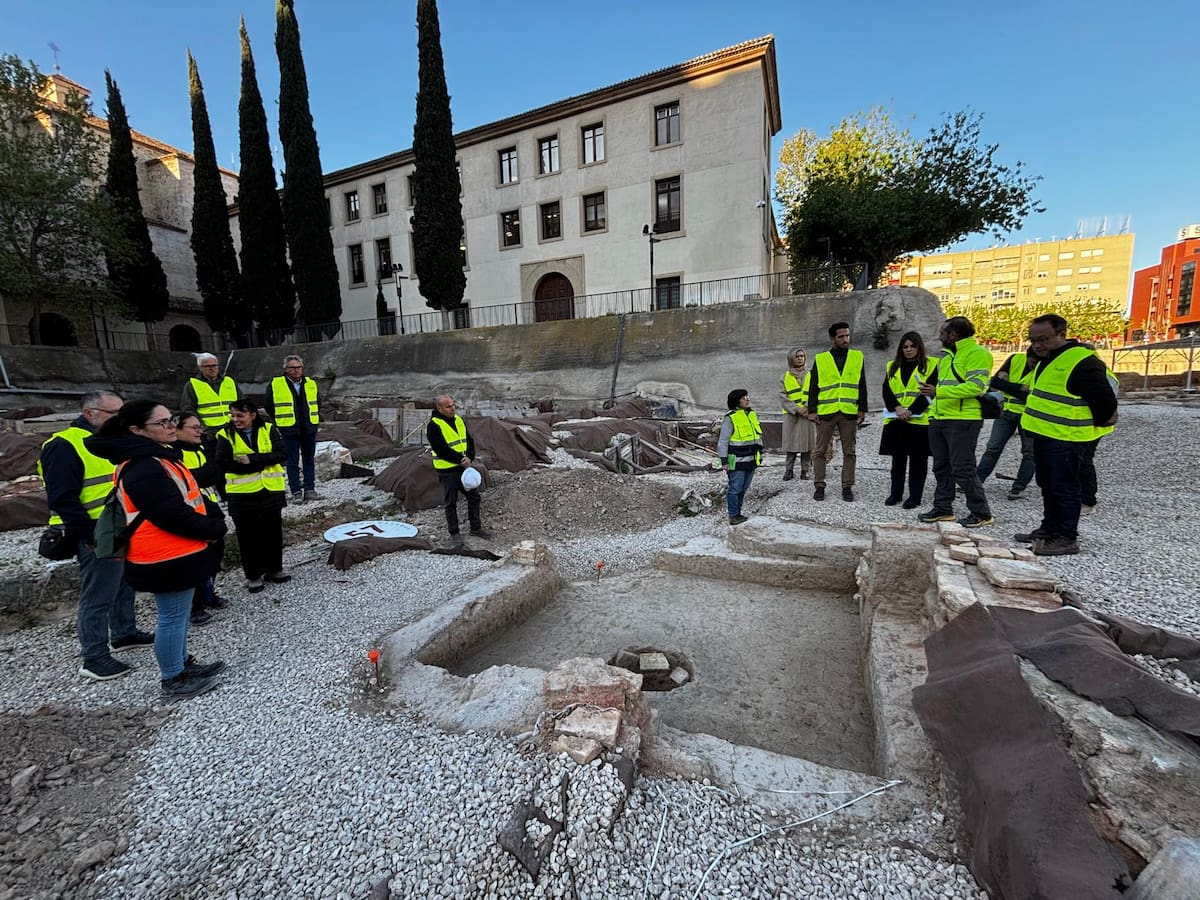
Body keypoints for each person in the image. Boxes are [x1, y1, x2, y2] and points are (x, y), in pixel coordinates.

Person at [85, 400, 227, 700]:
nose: (171, 426)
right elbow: (170, 514)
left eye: (171, 419)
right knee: (172, 617)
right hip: (164, 556)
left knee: (177, 614)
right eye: (162, 422)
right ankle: (173, 678)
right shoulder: (144, 467)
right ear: (137, 429)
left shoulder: (155, 458)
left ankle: (181, 663)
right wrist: (212, 529)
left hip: (176, 552)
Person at [37, 391, 153, 681]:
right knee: (99, 594)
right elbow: (63, 498)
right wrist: (89, 534)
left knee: (124, 584)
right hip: (96, 530)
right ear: (90, 413)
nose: (121, 419)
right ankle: (94, 657)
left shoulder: (108, 440)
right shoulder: (64, 445)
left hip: (119, 525)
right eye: (115, 414)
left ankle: (124, 632)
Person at [1014, 315, 1117, 556]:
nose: (1037, 345)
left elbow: (1104, 403)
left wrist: (1097, 423)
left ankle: (1066, 537)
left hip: (1068, 437)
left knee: (1065, 487)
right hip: (1045, 434)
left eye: (1043, 339)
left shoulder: (1081, 361)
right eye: (1033, 340)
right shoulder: (1049, 359)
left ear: (1061, 335)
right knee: (1048, 485)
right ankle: (1049, 529)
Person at [917, 316, 995, 528]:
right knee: (941, 467)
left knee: (963, 467)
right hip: (940, 418)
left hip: (963, 420)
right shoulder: (947, 357)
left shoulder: (977, 354)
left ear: (953, 334)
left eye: (942, 333)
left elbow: (976, 386)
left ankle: (981, 512)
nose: (939, 337)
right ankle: (943, 508)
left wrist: (938, 392)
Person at [216, 399, 289, 592]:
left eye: (240, 415)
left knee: (272, 533)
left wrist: (252, 460)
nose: (235, 419)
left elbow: (282, 454)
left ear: (253, 415)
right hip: (241, 495)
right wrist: (260, 463)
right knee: (248, 537)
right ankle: (254, 575)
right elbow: (223, 463)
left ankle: (275, 569)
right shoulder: (225, 435)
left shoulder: (268, 429)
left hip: (270, 490)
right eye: (233, 415)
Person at [174, 411, 230, 624]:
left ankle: (208, 593)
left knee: (215, 553)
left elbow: (215, 472)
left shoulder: (201, 447)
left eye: (200, 427)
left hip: (210, 507)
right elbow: (187, 480)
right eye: (194, 427)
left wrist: (201, 476)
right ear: (178, 429)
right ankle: (194, 606)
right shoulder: (173, 453)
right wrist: (202, 475)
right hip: (190, 511)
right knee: (195, 558)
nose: (200, 431)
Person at [807, 322, 866, 501]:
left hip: (849, 412)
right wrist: (812, 410)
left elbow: (862, 384)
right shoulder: (821, 359)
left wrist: (862, 409)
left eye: (847, 335)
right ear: (832, 338)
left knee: (850, 452)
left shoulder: (857, 357)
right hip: (826, 412)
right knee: (820, 451)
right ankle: (819, 485)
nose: (845, 339)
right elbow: (813, 386)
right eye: (841, 337)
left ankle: (847, 487)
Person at [879, 332, 936, 509]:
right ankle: (895, 493)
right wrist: (897, 408)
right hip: (896, 417)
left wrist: (911, 410)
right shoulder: (892, 366)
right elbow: (887, 390)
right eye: (905, 347)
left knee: (918, 461)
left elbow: (929, 392)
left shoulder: (931, 365)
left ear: (919, 347)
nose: (909, 350)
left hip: (919, 420)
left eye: (912, 346)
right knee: (898, 460)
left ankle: (915, 496)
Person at [976, 345, 1038, 500]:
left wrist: (1008, 386)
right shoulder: (1015, 359)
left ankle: (1019, 487)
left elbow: (1034, 395)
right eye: (1032, 362)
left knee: (1030, 453)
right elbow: (995, 382)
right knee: (993, 448)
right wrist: (1021, 388)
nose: (1034, 365)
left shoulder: (1044, 366)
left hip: (1029, 415)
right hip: (1006, 412)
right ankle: (976, 482)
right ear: (1028, 357)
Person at [427, 395, 490, 545]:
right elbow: (441, 449)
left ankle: (476, 528)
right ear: (439, 408)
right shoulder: (434, 425)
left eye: (453, 405)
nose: (453, 408)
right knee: (451, 502)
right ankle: (454, 533)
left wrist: (469, 457)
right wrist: (461, 459)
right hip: (447, 470)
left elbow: (469, 440)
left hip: (463, 467)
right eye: (448, 406)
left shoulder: (458, 420)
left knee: (474, 497)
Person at [268, 354, 323, 503]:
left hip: (308, 428)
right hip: (289, 428)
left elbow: (317, 402)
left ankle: (310, 489)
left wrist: (313, 422)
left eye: (298, 367)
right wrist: (280, 421)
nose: (296, 370)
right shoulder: (276, 384)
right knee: (292, 461)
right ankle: (296, 492)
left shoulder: (310, 383)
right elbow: (269, 405)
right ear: (286, 369)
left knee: (308, 460)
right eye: (292, 368)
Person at [716, 389, 762, 525]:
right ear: (736, 401)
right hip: (737, 461)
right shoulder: (730, 417)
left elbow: (758, 437)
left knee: (743, 488)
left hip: (751, 459)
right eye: (743, 398)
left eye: (747, 397)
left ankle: (738, 513)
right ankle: (733, 515)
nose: (747, 399)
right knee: (735, 489)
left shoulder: (751, 414)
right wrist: (724, 460)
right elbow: (723, 441)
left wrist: (760, 455)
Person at [180, 353, 241, 440]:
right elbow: (188, 409)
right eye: (208, 366)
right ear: (200, 368)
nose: (212, 369)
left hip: (232, 427)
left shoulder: (229, 382)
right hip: (210, 431)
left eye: (214, 365)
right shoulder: (192, 385)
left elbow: (241, 403)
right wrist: (203, 427)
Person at [778, 348, 814, 481]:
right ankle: (789, 470)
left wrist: (807, 407)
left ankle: (805, 470)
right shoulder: (785, 377)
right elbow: (783, 397)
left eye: (802, 356)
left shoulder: (812, 375)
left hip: (807, 414)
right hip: (791, 414)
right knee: (791, 444)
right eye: (797, 356)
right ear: (791, 359)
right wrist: (796, 409)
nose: (800, 358)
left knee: (807, 444)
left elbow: (816, 392)